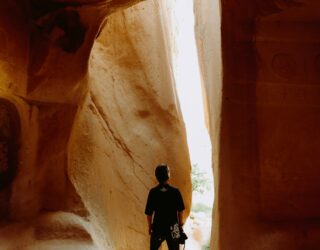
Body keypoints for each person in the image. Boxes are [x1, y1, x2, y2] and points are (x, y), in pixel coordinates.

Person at [145, 164, 185, 250]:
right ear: (168, 175)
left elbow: (149, 213)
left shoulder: (153, 192)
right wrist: (180, 226)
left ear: (157, 176)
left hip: (157, 227)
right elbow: (180, 211)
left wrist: (150, 227)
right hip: (174, 227)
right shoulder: (175, 192)